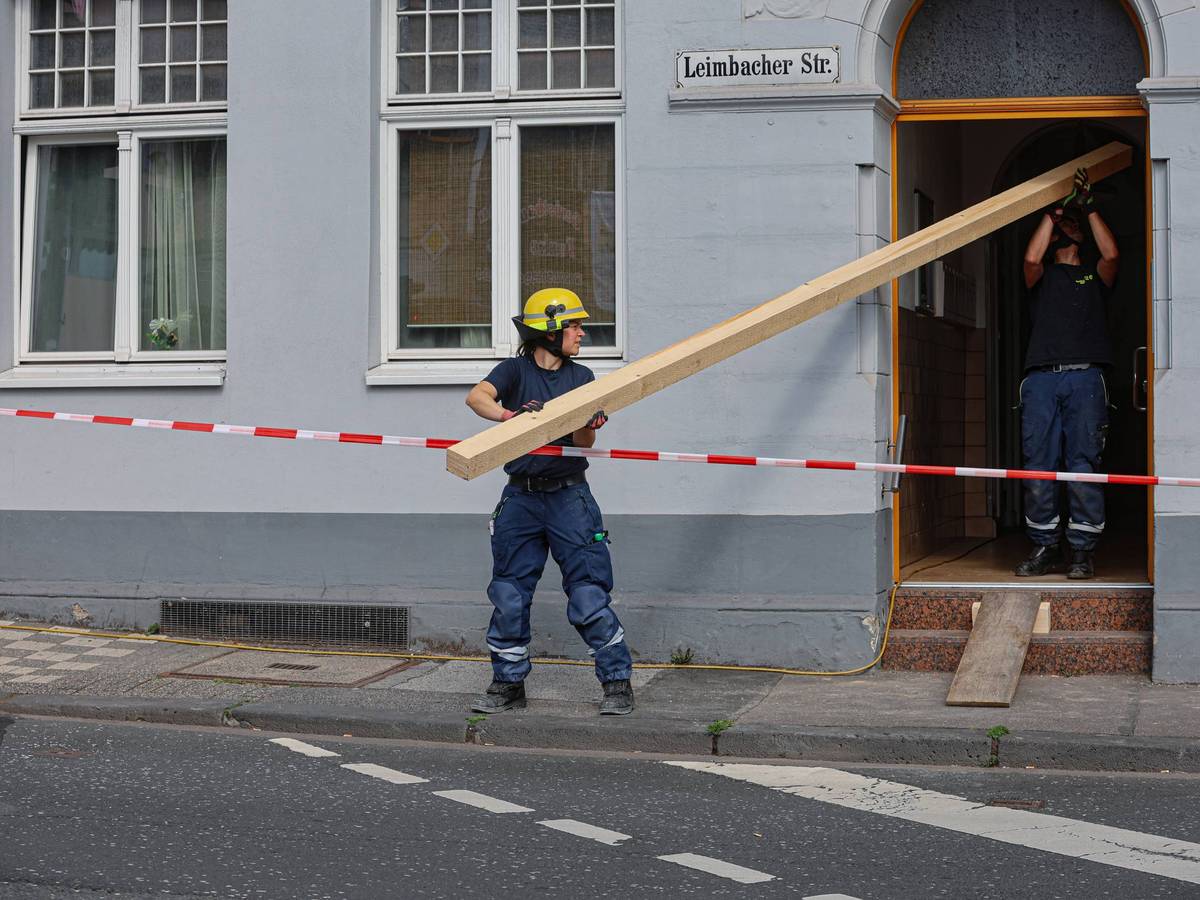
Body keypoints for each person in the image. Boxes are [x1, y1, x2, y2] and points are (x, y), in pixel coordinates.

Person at [464, 287, 634, 715]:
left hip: (569, 498)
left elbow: (583, 442)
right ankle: (508, 685)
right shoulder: (514, 371)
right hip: (520, 499)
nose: (582, 333)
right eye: (575, 325)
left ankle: (617, 683)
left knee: (588, 593)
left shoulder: (583, 378)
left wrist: (588, 424)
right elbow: (477, 398)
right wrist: (510, 417)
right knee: (509, 593)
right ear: (550, 331)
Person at [1015, 167, 1119, 580]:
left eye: (1072, 227)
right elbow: (1030, 258)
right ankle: (1044, 547)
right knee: (1038, 463)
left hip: (1085, 378)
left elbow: (1112, 255)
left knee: (1083, 463)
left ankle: (1081, 551)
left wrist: (1087, 208)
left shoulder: (1093, 274)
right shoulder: (1040, 277)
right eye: (1064, 226)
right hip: (1041, 378)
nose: (1067, 229)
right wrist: (1053, 212)